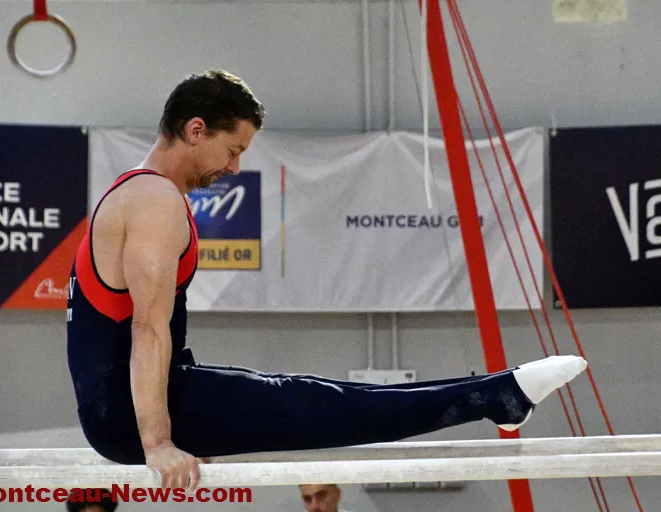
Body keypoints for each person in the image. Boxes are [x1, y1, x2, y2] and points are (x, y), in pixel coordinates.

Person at [66, 69, 587, 493]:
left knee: (319, 398)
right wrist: (158, 442)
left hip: (131, 401)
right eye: (233, 149)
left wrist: (179, 428)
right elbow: (147, 328)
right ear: (196, 129)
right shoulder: (154, 201)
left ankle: (498, 394)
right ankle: (494, 397)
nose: (235, 167)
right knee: (324, 408)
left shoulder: (140, 194)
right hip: (124, 412)